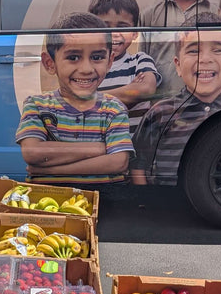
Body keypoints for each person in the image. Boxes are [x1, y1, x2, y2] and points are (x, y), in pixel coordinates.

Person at [16, 12, 134, 183]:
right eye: (73, 57)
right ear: (50, 63)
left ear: (109, 61)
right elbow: (33, 153)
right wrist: (97, 149)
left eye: (97, 57)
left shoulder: (114, 109)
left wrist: (52, 170)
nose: (86, 68)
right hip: (50, 203)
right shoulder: (36, 106)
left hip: (105, 200)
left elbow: (118, 162)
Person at [131, 26, 221, 185]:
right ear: (177, 65)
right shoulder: (160, 113)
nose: (205, 59)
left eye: (218, 50)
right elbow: (138, 165)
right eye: (193, 51)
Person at [87, 0, 161, 132]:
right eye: (105, 27)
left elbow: (145, 89)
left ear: (135, 33)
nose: (114, 34)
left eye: (122, 27)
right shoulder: (86, 66)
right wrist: (129, 92)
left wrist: (91, 99)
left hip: (134, 144)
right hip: (95, 143)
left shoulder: (140, 60)